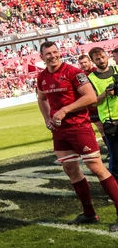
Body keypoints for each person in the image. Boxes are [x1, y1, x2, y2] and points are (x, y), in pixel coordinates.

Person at [36, 41, 118, 231]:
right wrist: (47, 118)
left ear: (59, 53)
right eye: (48, 54)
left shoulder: (74, 72)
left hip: (79, 127)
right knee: (70, 169)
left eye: (55, 52)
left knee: (96, 168)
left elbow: (90, 98)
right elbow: (41, 98)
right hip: (60, 131)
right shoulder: (41, 77)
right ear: (42, 57)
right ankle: (89, 213)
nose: (53, 56)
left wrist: (64, 110)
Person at [89, 47, 118, 178]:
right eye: (97, 59)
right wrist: (105, 93)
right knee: (116, 157)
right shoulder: (91, 78)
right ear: (93, 61)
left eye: (102, 57)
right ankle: (116, 190)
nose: (101, 60)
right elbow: (94, 102)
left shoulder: (117, 70)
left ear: (107, 56)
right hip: (111, 121)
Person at [81, 53, 107, 141]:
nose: (83, 65)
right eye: (81, 63)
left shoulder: (97, 72)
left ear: (90, 62)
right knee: (101, 129)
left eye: (85, 62)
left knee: (108, 128)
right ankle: (110, 150)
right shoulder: (81, 75)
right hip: (92, 108)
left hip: (103, 103)